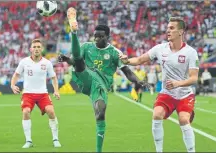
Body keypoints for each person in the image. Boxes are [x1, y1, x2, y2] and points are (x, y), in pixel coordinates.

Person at [58, 7, 149, 152]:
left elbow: (126, 71)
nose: (97, 39)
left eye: (100, 37)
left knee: (100, 113)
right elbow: (75, 63)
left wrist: (137, 81)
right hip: (87, 77)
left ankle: (98, 150)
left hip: (101, 86)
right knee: (79, 60)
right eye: (95, 36)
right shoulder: (87, 46)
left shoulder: (114, 52)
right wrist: (66, 59)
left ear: (107, 37)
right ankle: (74, 31)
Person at [119, 17, 199, 152]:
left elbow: (194, 78)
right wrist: (127, 61)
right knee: (156, 115)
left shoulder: (191, 52)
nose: (168, 30)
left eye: (172, 28)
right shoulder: (160, 48)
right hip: (167, 93)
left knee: (184, 120)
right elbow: (139, 59)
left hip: (185, 95)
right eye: (167, 28)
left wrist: (178, 83)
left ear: (181, 32)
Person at [10, 39, 61, 148]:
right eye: (34, 47)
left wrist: (56, 90)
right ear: (30, 49)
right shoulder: (24, 62)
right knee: (26, 111)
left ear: (41, 49)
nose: (36, 49)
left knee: (51, 111)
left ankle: (55, 139)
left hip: (43, 93)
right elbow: (16, 75)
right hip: (28, 93)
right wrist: (12, 85)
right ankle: (28, 141)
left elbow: (53, 78)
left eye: (38, 47)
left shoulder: (47, 63)